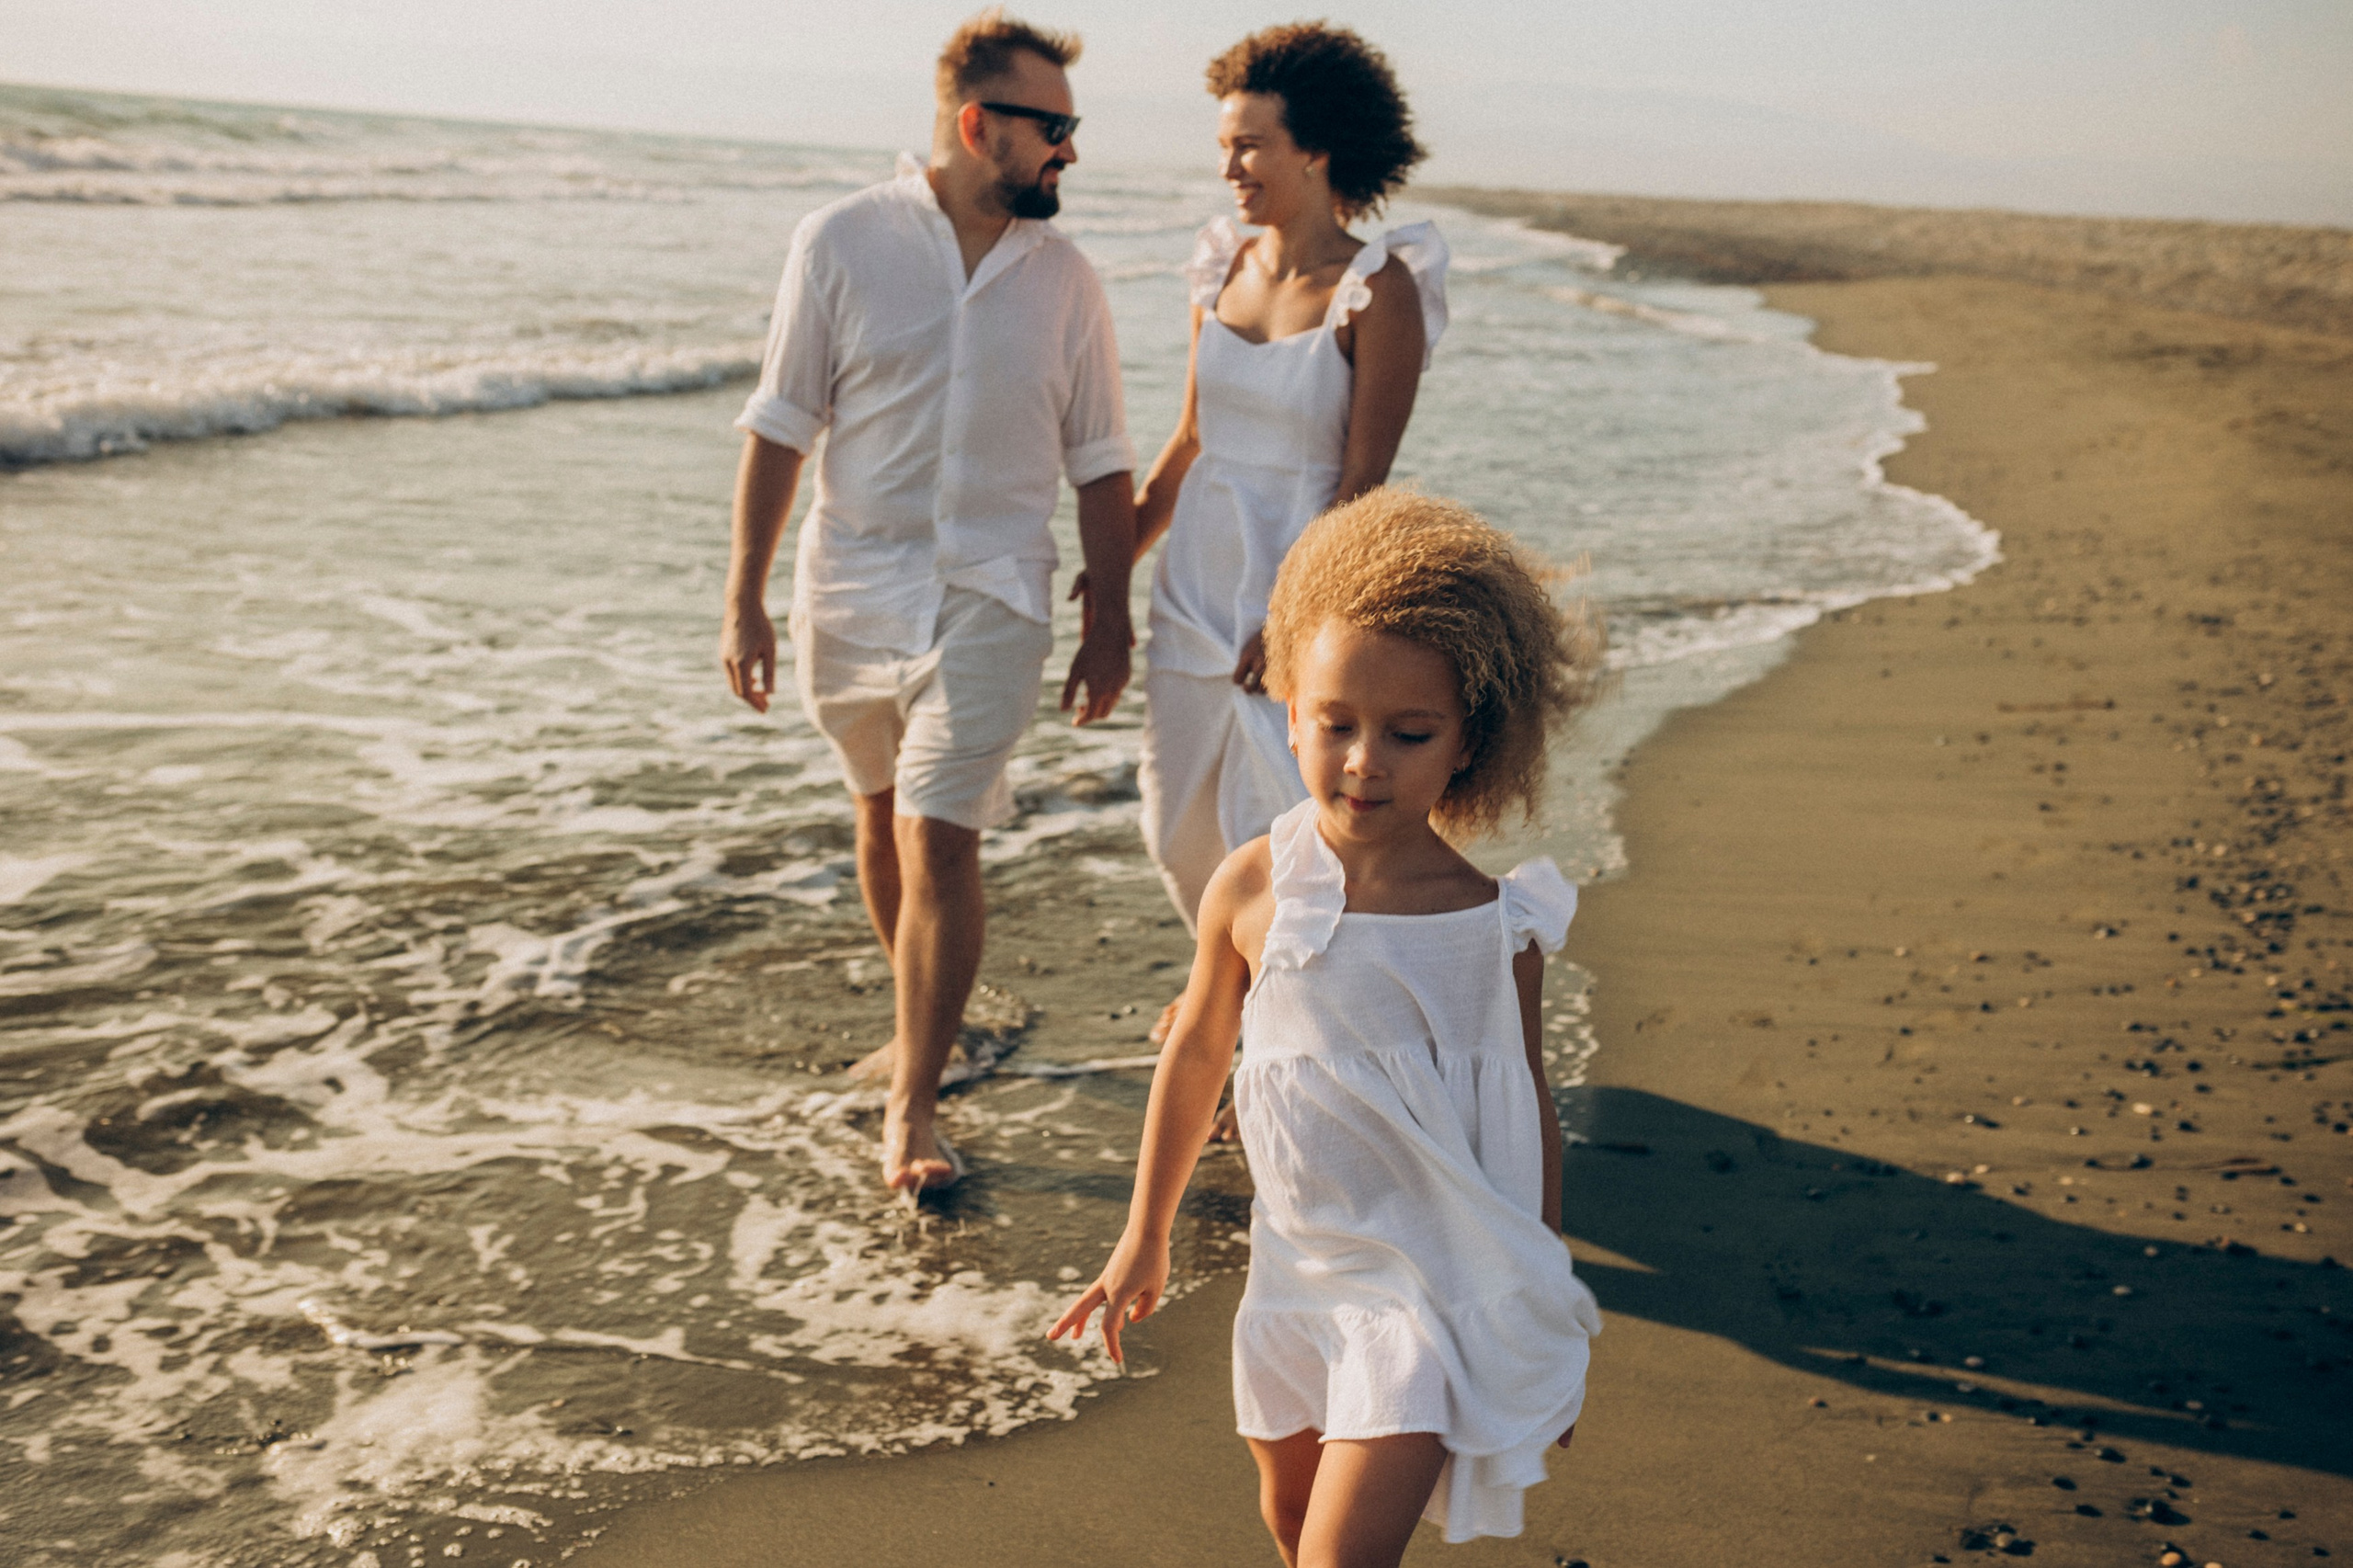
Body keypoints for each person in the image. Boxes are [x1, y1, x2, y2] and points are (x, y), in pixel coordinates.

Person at [1051, 489, 1608, 1566]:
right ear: (1289, 709)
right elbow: (1201, 1051)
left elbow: (1524, 1104)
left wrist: (1536, 1303)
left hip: (1429, 1289)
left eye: (1408, 734)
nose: (1364, 760)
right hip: (1295, 1268)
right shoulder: (1253, 883)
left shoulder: (1492, 930)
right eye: (1335, 725)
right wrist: (1144, 1231)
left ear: (1467, 742)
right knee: (1292, 1524)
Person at [719, 9, 1137, 1198]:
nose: (1068, 151)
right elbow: (782, 422)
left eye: (1072, 126)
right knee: (878, 819)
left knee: (939, 832)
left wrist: (1111, 616)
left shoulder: (1067, 280)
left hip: (995, 592)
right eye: (1050, 127)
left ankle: (915, 1104)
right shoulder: (842, 240)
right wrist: (742, 598)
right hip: (850, 584)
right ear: (976, 123)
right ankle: (924, 1023)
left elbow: (1102, 456)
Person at [1125, 23, 1447, 978]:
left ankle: (1264, 1028)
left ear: (1315, 149)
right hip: (1190, 591)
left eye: (1249, 142)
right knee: (1173, 825)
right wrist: (1110, 578)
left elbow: (1362, 482)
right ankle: (1233, 991)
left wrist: (1291, 612)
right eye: (1226, 142)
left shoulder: (1377, 288)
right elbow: (1187, 441)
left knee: (1292, 837)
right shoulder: (1219, 264)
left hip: (1299, 606)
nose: (1229, 164)